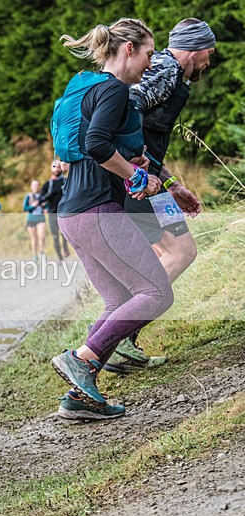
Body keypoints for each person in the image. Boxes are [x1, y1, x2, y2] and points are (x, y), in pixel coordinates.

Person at [51, 18, 172, 421]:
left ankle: (80, 399)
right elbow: (96, 145)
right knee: (155, 293)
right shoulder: (116, 89)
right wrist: (137, 176)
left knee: (119, 299)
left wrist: (143, 168)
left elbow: (100, 146)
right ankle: (81, 360)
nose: (151, 64)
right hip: (97, 208)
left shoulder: (88, 87)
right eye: (149, 54)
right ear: (128, 50)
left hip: (73, 212)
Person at [107, 18, 216, 372]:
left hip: (151, 182)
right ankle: (120, 334)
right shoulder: (167, 70)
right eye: (208, 54)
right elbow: (128, 103)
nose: (209, 62)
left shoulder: (173, 75)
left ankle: (117, 337)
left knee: (166, 253)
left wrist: (171, 183)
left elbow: (147, 137)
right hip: (138, 183)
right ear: (196, 48)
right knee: (180, 250)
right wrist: (134, 167)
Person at [39, 161, 70, 260]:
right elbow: (41, 198)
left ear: (61, 168)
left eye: (58, 167)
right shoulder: (48, 184)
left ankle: (65, 247)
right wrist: (49, 193)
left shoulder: (66, 181)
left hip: (64, 212)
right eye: (54, 167)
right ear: (51, 169)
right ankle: (59, 257)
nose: (56, 169)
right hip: (52, 213)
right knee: (55, 236)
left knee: (64, 233)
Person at [23, 180, 47, 261]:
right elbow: (25, 208)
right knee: (34, 239)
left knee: (42, 237)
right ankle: (35, 256)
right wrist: (32, 206)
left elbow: (46, 205)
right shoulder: (28, 196)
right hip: (31, 219)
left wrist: (46, 209)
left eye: (37, 185)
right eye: (34, 185)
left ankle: (42, 253)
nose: (36, 187)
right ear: (31, 187)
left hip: (41, 218)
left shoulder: (42, 196)